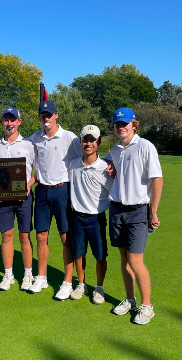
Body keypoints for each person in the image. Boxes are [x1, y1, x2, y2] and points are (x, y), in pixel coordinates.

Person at [107, 107, 163, 325]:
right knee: (124, 259)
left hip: (138, 210)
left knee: (135, 260)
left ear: (134, 125)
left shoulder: (145, 145)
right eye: (117, 124)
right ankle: (130, 299)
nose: (121, 127)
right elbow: (102, 162)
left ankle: (147, 305)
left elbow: (157, 179)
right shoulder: (114, 150)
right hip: (117, 209)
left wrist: (154, 211)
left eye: (125, 123)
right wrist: (110, 165)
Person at [27, 100, 83, 299]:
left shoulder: (69, 137)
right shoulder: (35, 137)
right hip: (42, 191)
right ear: (40, 117)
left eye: (49, 114)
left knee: (65, 238)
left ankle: (67, 282)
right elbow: (16, 145)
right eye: (43, 115)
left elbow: (84, 158)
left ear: (56, 115)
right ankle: (41, 277)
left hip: (63, 191)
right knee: (41, 236)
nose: (46, 118)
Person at [0, 107, 36, 291]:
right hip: (3, 199)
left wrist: (28, 185)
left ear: (19, 122)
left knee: (24, 236)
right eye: (6, 120)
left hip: (24, 197)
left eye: (13, 120)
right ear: (2, 122)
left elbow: (38, 171)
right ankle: (8, 274)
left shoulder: (29, 145)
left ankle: (28, 274)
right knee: (6, 235)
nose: (9, 123)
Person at [69, 125, 114, 304]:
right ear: (80, 142)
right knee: (79, 253)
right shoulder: (73, 165)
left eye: (92, 140)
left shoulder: (105, 168)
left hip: (96, 218)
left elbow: (113, 193)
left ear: (98, 142)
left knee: (100, 254)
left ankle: (99, 288)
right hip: (77, 216)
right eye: (85, 140)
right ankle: (81, 284)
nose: (88, 143)